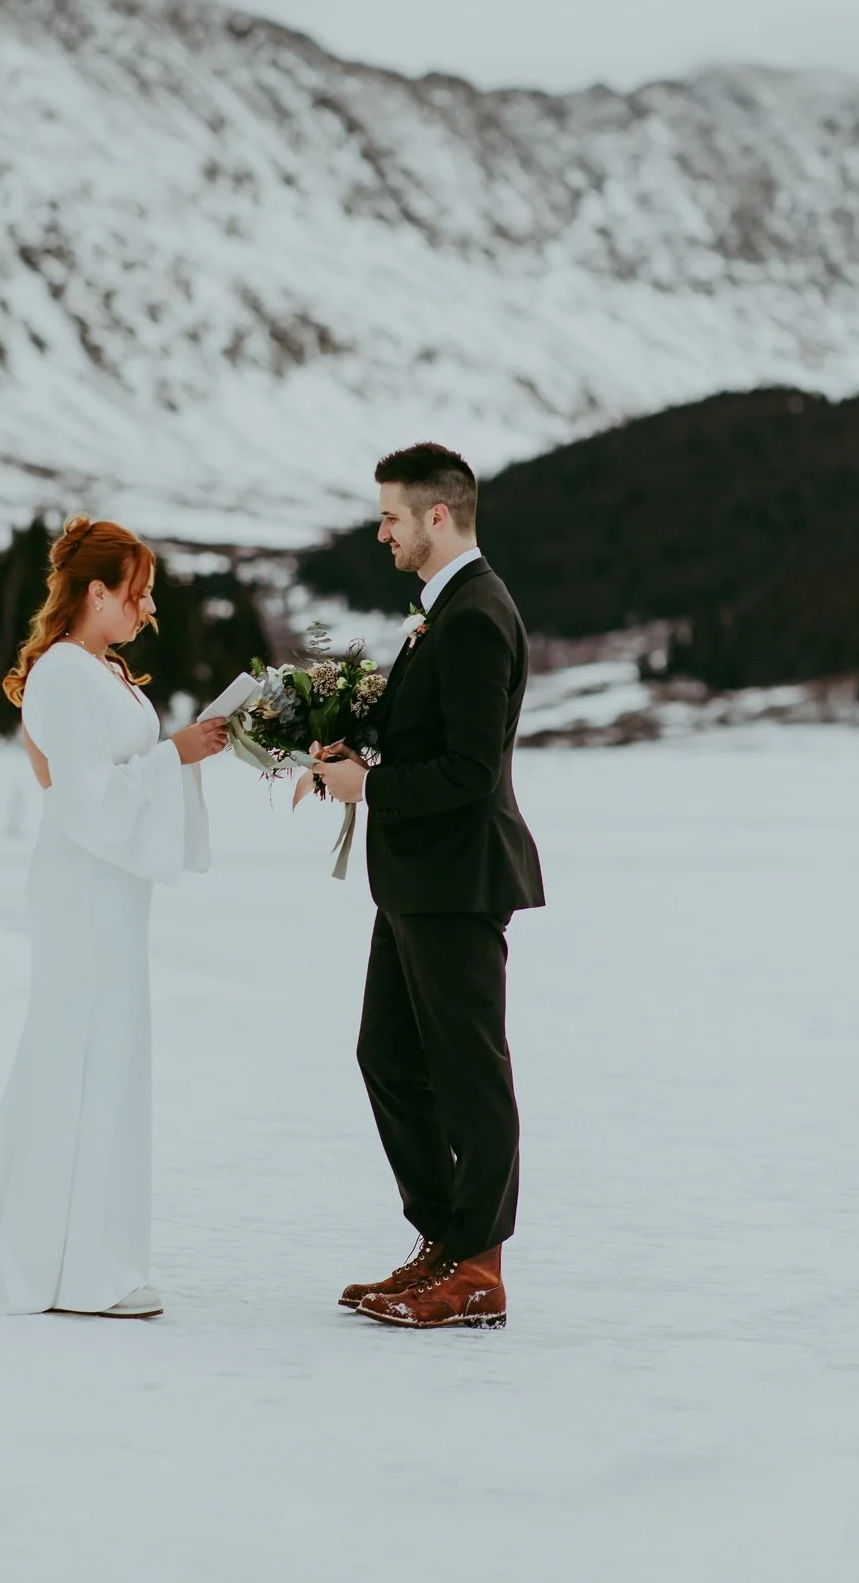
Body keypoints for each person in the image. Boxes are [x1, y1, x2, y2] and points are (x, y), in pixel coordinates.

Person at [0, 514, 229, 1318]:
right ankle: (77, 1267)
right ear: (95, 591)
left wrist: (180, 752)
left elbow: (112, 779)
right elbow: (85, 799)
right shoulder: (64, 673)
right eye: (136, 595)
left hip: (111, 890)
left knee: (103, 1060)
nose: (146, 610)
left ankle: (87, 1255)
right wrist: (178, 754)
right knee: (84, 1059)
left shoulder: (97, 669)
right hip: (85, 888)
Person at [314, 443, 545, 1329]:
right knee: (388, 1056)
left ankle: (477, 1267)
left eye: (390, 518)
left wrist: (366, 788)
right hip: (414, 881)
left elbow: (468, 771)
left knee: (466, 1072)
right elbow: (431, 739)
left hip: (457, 879)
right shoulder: (442, 612)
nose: (380, 532)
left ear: (435, 517)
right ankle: (443, 1241)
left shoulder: (478, 614)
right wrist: (358, 750)